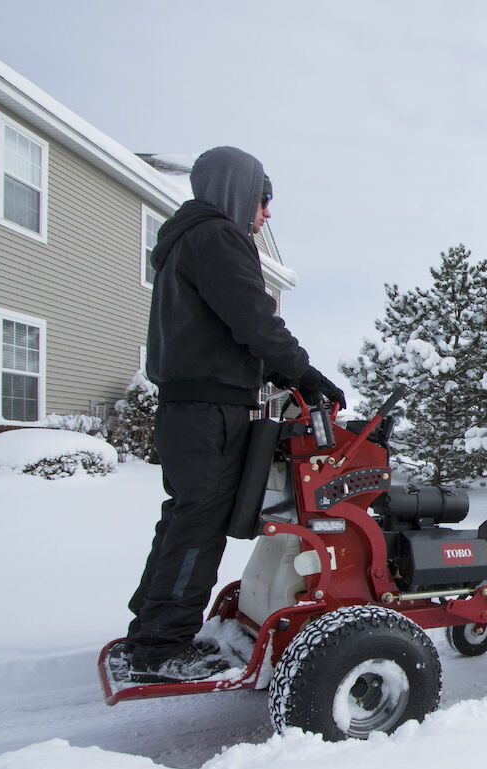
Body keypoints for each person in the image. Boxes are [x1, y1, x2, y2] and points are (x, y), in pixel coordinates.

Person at [122, 146, 345, 683]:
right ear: (238, 191)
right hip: (208, 411)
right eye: (264, 199)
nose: (266, 212)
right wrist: (304, 376)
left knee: (184, 517)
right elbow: (255, 323)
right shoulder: (219, 237)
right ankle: (160, 647)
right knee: (199, 523)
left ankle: (152, 630)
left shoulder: (186, 241)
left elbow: (225, 331)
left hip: (187, 407)